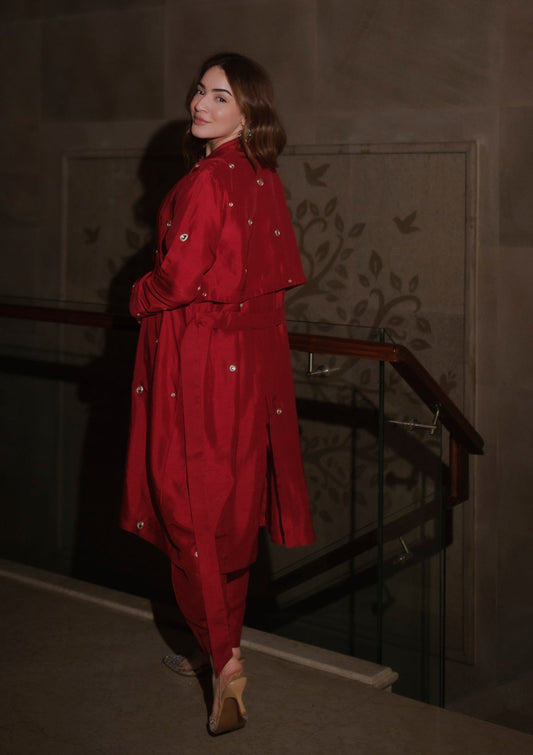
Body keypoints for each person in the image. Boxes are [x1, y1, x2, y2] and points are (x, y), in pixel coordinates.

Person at [121, 52, 315, 735]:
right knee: (227, 510)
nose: (200, 104)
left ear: (248, 112)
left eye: (220, 96)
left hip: (197, 363)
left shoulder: (207, 180)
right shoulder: (262, 176)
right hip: (247, 366)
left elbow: (176, 281)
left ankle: (224, 658)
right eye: (200, 91)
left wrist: (134, 296)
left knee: (189, 508)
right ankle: (215, 644)